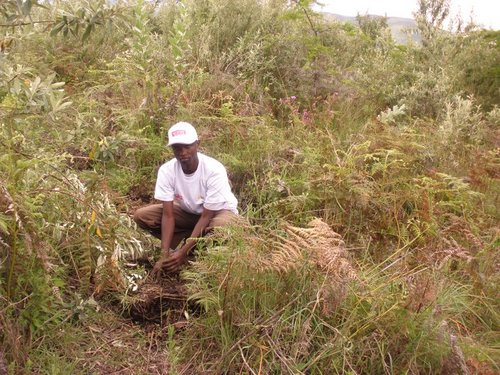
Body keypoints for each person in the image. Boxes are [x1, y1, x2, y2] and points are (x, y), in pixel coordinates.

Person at [133, 121, 239, 275]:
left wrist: (183, 253)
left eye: (187, 146)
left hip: (217, 213)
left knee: (221, 227)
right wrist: (164, 255)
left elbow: (206, 216)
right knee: (142, 216)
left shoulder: (213, 170)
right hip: (191, 214)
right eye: (177, 148)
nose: (182, 152)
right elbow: (168, 215)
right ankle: (189, 241)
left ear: (197, 144)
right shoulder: (167, 171)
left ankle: (196, 253)